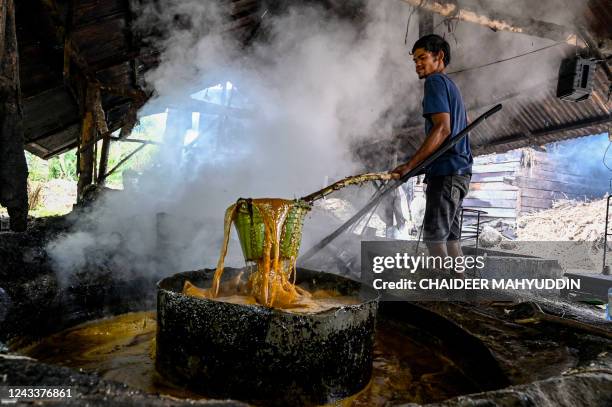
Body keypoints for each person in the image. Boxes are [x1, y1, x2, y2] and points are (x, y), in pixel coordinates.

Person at [390, 34, 472, 258]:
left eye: (422, 57)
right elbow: (459, 125)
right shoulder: (451, 87)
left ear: (440, 56)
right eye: (414, 60)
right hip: (459, 174)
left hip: (446, 175)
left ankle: (440, 291)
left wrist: (409, 166)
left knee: (434, 240)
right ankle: (459, 290)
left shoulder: (435, 82)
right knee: (451, 239)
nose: (417, 64)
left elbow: (442, 129)